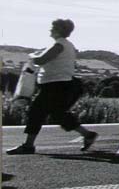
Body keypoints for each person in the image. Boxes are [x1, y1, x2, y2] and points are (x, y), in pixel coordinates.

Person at [6, 19, 98, 155]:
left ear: (59, 30)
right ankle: (87, 134)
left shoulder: (59, 44)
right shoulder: (66, 45)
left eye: (52, 27)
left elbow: (40, 60)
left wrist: (32, 55)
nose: (50, 30)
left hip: (55, 85)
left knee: (36, 112)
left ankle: (28, 146)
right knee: (58, 113)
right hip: (61, 85)